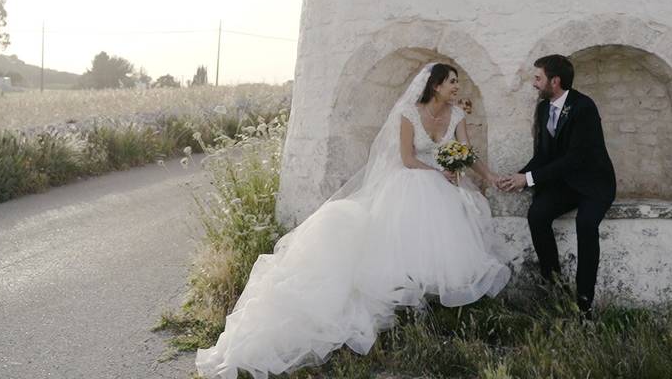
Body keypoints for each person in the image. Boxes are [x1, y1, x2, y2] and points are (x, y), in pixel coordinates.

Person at [196, 63, 510, 379]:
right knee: (399, 247)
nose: (457, 85)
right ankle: (404, 313)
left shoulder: (456, 116)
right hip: (413, 179)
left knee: (443, 244)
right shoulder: (410, 114)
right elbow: (407, 158)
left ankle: (435, 314)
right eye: (451, 81)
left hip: (444, 186)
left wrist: (490, 177)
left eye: (457, 81)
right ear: (436, 85)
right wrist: (438, 174)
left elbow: (467, 155)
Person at [498, 54, 616, 317]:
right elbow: (544, 155)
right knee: (537, 214)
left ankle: (584, 304)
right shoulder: (543, 109)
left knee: (586, 225)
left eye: (538, 78)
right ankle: (557, 291)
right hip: (566, 184)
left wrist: (529, 179)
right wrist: (519, 177)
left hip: (594, 184)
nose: (534, 83)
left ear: (556, 80)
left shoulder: (584, 107)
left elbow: (576, 158)